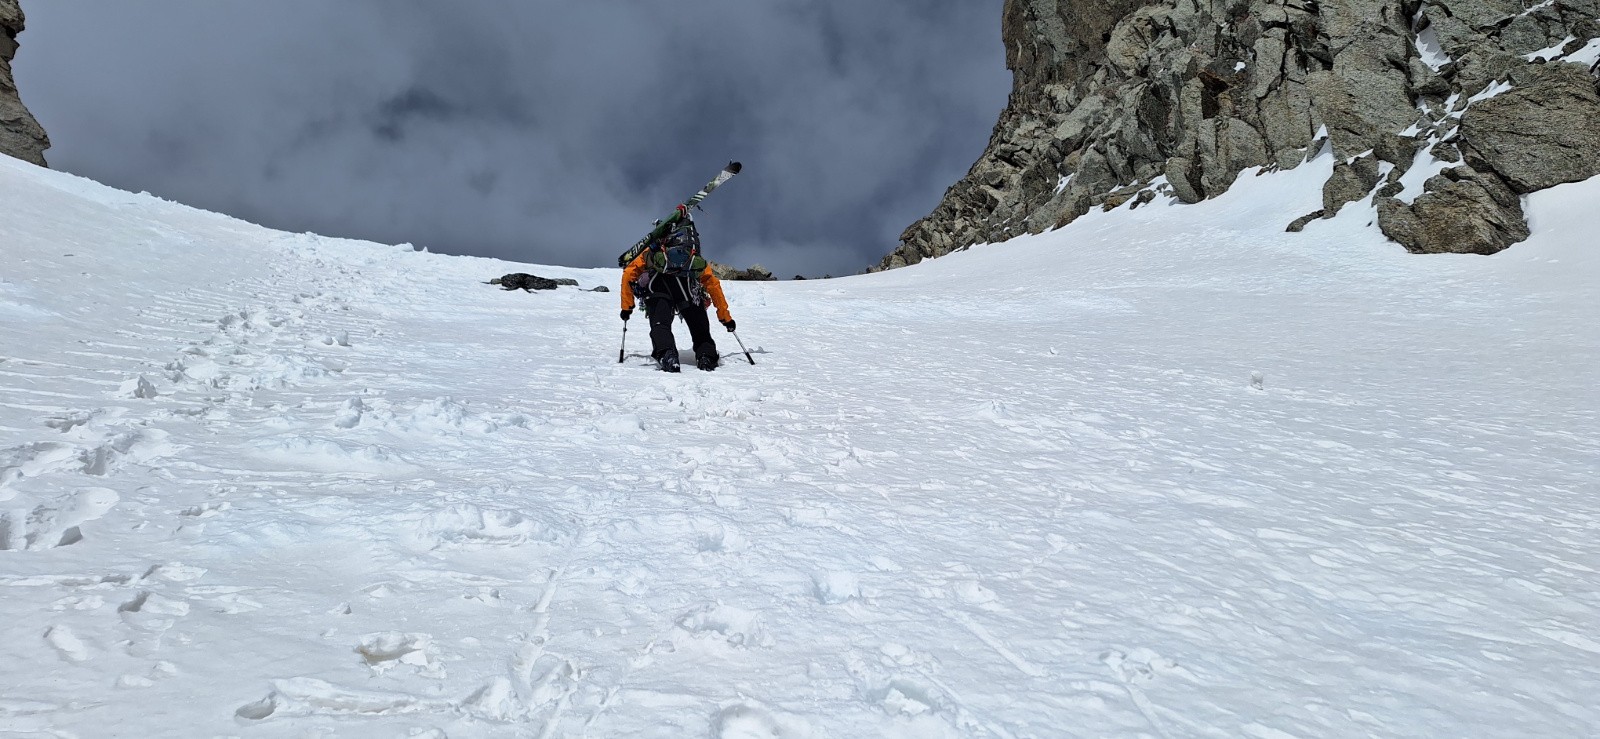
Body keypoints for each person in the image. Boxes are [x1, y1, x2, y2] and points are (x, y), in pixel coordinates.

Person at [619, 206, 735, 372]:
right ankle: (706, 357)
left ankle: (667, 355)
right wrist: (725, 318)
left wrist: (626, 307)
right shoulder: (692, 255)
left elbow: (629, 273)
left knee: (660, 325)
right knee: (699, 327)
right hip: (688, 290)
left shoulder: (652, 250)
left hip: (658, 289)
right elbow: (713, 284)